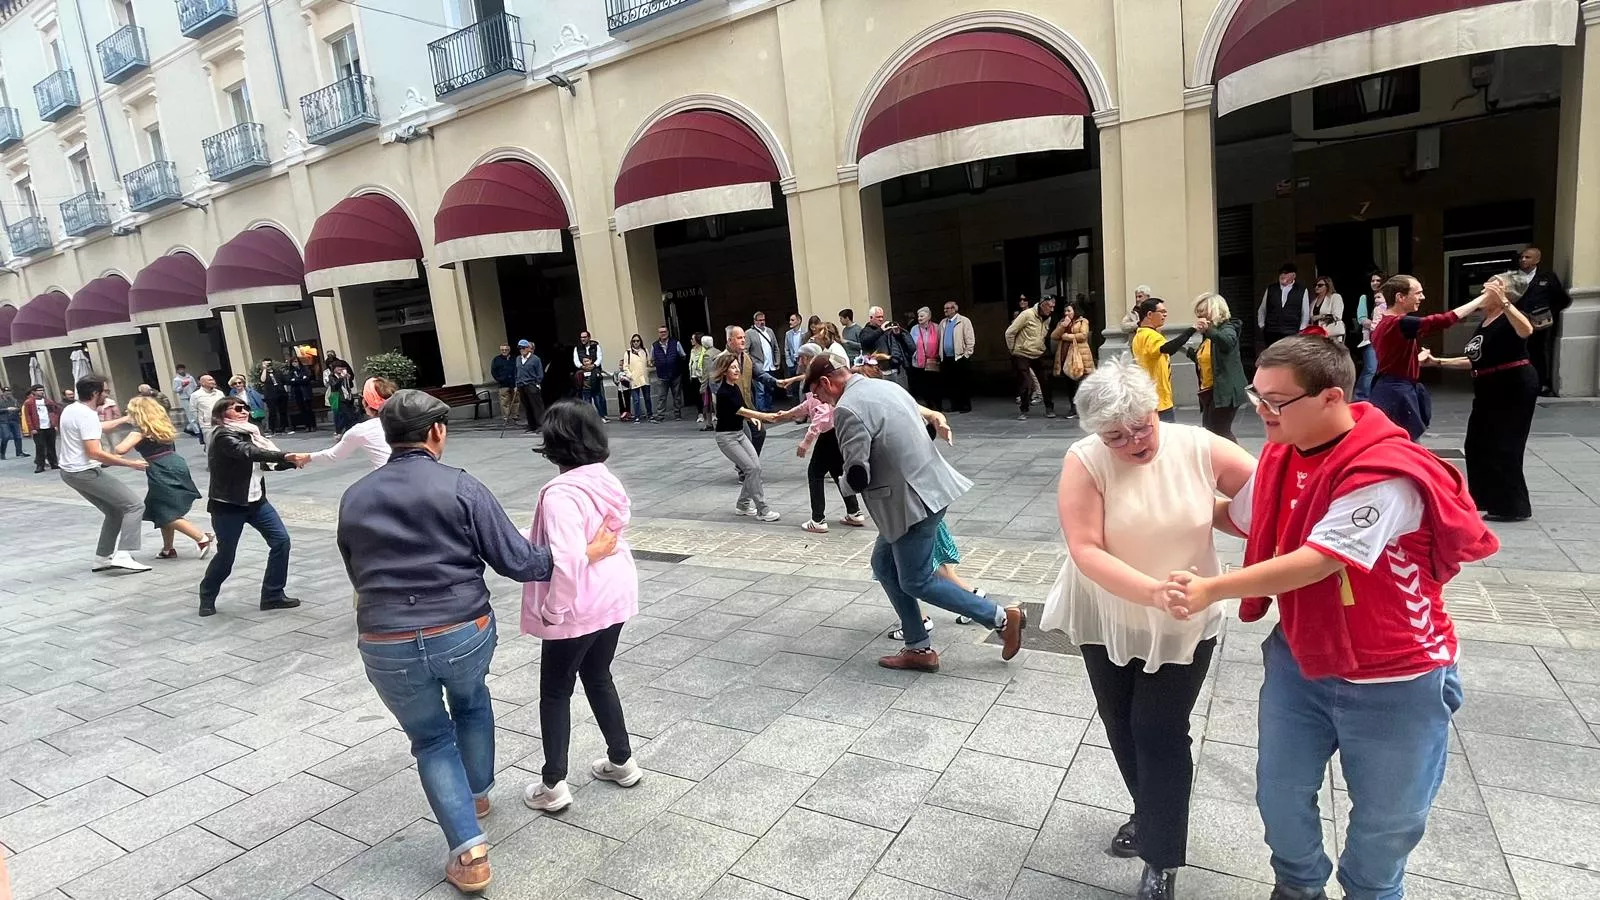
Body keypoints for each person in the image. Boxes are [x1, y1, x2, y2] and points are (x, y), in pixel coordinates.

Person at [1160, 336, 1498, 900]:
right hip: (1303, 657)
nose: (1261, 411)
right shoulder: (1282, 456)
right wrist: (1154, 498)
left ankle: (1373, 893)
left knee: (1387, 821)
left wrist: (1211, 589)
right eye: (1257, 396)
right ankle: (1297, 888)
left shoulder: (1385, 472)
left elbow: (1320, 560)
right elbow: (1242, 518)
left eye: (1276, 401)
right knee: (1280, 795)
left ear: (1331, 397)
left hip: (1396, 674)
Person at [337, 391, 616, 892]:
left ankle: (469, 853)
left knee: (429, 740)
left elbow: (355, 566)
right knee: (470, 702)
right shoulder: (461, 486)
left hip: (384, 636)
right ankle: (479, 793)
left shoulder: (354, 495)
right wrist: (586, 552)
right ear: (436, 432)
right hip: (461, 629)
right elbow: (520, 561)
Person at [1044, 358, 1256, 900]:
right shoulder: (1085, 460)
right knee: (1120, 721)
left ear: (1156, 409)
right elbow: (1086, 548)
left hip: (1184, 613)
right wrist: (1149, 591)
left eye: (1141, 427)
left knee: (1159, 729)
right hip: (1107, 610)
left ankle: (1161, 858)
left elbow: (1266, 491)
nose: (1133, 442)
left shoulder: (1198, 446)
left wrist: (1230, 515)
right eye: (1115, 436)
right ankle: (1149, 811)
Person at [806, 356, 1025, 672]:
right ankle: (918, 647)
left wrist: (841, 484)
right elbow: (925, 430)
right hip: (929, 489)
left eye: (817, 393)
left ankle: (1000, 618)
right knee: (884, 565)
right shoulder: (886, 387)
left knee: (916, 580)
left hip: (908, 504)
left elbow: (857, 475)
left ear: (827, 382)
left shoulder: (847, 409)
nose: (821, 401)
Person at [521, 400, 641, 812]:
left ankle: (553, 783)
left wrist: (553, 611)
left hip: (578, 603)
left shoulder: (560, 493)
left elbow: (568, 559)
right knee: (598, 673)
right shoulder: (605, 479)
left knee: (555, 690)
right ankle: (622, 760)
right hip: (614, 593)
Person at [1426, 273, 1537, 521]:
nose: (1487, 285)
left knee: (1504, 444)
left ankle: (1512, 506)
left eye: (1496, 282)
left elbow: (1526, 330)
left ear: (1507, 292)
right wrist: (1438, 362)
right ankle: (1486, 498)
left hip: (1512, 385)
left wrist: (1505, 303)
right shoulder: (1486, 321)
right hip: (1487, 386)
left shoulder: (1511, 315)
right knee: (1477, 443)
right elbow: (1474, 359)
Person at [198, 394, 310, 617]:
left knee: (281, 542)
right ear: (221, 414)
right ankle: (207, 596)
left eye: (245, 408)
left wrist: (292, 463)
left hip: (256, 502)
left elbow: (262, 464)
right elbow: (247, 453)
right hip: (228, 505)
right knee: (226, 556)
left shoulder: (251, 433)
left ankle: (272, 595)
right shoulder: (222, 435)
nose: (244, 412)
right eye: (237, 408)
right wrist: (285, 456)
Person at [751, 343, 863, 534]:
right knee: (836, 471)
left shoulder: (819, 380)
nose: (799, 361)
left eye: (801, 357)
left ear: (809, 358)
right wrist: (787, 414)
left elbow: (821, 414)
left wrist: (806, 441)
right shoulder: (814, 379)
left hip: (828, 434)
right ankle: (854, 511)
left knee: (815, 473)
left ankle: (818, 519)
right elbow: (808, 405)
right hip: (834, 433)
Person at [1369, 275, 1489, 441]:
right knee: (1405, 443)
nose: (1422, 297)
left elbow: (1391, 360)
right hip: (1397, 393)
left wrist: (1416, 359)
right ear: (1400, 297)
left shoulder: (1384, 324)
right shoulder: (1399, 323)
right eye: (1418, 293)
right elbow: (1444, 320)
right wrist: (1482, 298)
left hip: (1389, 388)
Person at [57, 375, 151, 574]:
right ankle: (124, 555)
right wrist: (130, 463)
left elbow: (99, 427)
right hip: (85, 472)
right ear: (95, 393)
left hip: (70, 472)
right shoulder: (87, 415)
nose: (107, 395)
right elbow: (94, 452)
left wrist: (126, 419)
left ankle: (102, 558)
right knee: (134, 505)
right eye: (105, 391)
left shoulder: (72, 409)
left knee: (115, 511)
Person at [115, 396, 211, 560]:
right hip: (175, 462)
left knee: (163, 511)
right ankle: (168, 549)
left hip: (160, 467)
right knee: (162, 507)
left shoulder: (140, 430)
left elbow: (120, 449)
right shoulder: (161, 425)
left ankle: (201, 537)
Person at [710, 353, 780, 521]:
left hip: (740, 434)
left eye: (737, 367)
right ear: (725, 371)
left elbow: (742, 409)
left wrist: (752, 418)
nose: (737, 370)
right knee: (751, 469)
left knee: (755, 468)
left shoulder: (735, 387)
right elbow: (740, 410)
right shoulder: (723, 392)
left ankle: (743, 505)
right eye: (733, 367)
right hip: (726, 438)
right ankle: (763, 510)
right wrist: (764, 416)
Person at [1188, 293, 1247, 442]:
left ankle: (1235, 457)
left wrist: (1208, 330)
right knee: (1210, 431)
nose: (1199, 315)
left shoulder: (1228, 327)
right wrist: (1191, 353)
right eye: (1198, 312)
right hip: (1211, 390)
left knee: (1220, 432)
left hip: (1225, 391)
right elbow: (1211, 359)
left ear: (1213, 310)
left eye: (1202, 311)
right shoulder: (1210, 332)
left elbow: (1227, 343)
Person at [1515, 245, 1571, 396]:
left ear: (1537, 260)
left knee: (1538, 352)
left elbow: (1561, 299)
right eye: (1522, 257)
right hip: (1518, 322)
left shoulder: (1547, 277)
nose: (1523, 260)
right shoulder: (1514, 277)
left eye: (1527, 257)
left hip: (1540, 324)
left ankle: (1540, 383)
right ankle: (1520, 383)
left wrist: (1548, 313)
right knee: (1518, 351)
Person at [310, 377, 397, 470]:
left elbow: (332, 456)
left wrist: (305, 457)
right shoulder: (406, 419)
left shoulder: (362, 430)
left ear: (365, 402)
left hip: (388, 475)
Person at [1130, 298, 1193, 424]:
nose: (1165, 315)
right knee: (1165, 434)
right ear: (1149, 314)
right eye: (1162, 312)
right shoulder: (1149, 335)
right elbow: (1168, 348)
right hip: (1158, 401)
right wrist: (1191, 330)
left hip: (1152, 398)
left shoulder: (1141, 334)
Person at [1006, 296, 1057, 420]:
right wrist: (1012, 349)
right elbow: (1010, 332)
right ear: (1042, 305)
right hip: (1022, 353)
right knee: (1026, 382)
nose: (1052, 310)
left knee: (1045, 380)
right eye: (1050, 307)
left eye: (1053, 307)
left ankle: (1049, 408)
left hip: (1038, 353)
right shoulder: (1027, 315)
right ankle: (1024, 410)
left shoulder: (1048, 318)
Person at [1050, 300, 1095, 419]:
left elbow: (1083, 336)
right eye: (1065, 311)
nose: (1066, 313)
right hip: (1065, 355)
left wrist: (1067, 336)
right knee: (1069, 383)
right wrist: (1063, 326)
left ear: (1075, 311)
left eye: (1069, 311)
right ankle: (1073, 407)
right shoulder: (1062, 322)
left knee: (1079, 382)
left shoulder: (1082, 321)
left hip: (1079, 355)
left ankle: (1081, 408)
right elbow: (1054, 336)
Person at [1258, 263, 1310, 351]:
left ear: (1293, 275)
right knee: (1272, 354)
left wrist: (1302, 329)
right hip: (1272, 331)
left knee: (1288, 355)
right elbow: (1262, 309)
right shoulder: (1271, 289)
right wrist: (1261, 324)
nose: (1282, 275)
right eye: (1281, 273)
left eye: (1286, 273)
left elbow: (1305, 312)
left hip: (1291, 331)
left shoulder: (1301, 290)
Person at [859, 306, 913, 388]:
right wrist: (880, 330)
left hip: (893, 368)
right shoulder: (866, 331)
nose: (881, 319)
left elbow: (897, 344)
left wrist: (897, 334)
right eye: (878, 317)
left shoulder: (887, 330)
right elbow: (865, 342)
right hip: (878, 371)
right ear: (871, 318)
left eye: (882, 316)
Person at [938, 301, 975, 413]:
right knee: (950, 383)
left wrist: (967, 354)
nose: (945, 310)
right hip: (946, 358)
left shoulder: (963, 321)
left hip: (960, 357)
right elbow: (940, 338)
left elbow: (970, 338)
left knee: (962, 383)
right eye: (944, 308)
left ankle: (965, 406)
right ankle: (954, 405)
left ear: (954, 309)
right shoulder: (943, 323)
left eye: (948, 308)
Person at [1353, 271, 1386, 401]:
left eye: (1378, 280)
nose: (1375, 283)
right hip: (1370, 338)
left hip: (1386, 338)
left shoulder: (1389, 297)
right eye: (1373, 281)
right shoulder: (1365, 297)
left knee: (1382, 369)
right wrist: (1377, 326)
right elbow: (1362, 318)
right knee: (1371, 368)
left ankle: (1378, 397)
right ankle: (1361, 397)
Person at [649, 325, 685, 421]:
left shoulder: (675, 343)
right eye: (661, 332)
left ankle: (677, 414)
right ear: (658, 334)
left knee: (677, 396)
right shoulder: (654, 346)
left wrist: (677, 364)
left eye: (664, 331)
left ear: (668, 332)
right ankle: (660, 415)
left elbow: (683, 355)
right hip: (662, 375)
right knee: (661, 396)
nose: (663, 334)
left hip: (675, 373)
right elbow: (651, 360)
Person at [907, 307, 942, 409]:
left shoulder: (936, 327)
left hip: (933, 360)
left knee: (935, 383)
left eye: (922, 316)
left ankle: (937, 405)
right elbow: (910, 344)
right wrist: (916, 354)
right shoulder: (914, 329)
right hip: (919, 361)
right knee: (923, 384)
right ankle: (929, 404)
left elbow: (940, 342)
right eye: (918, 316)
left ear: (929, 317)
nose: (919, 318)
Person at [747, 312, 780, 411]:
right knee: (760, 391)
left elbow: (776, 347)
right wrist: (752, 363)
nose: (762, 322)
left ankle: (769, 409)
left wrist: (777, 361)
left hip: (770, 365)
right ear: (755, 321)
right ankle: (761, 411)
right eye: (760, 320)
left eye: (763, 320)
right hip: (758, 367)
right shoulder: (749, 333)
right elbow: (745, 350)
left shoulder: (769, 331)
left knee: (770, 389)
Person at [22, 385, 59, 472]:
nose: (41, 392)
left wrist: (54, 424)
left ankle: (54, 463)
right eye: (39, 390)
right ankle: (40, 465)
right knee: (40, 447)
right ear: (33, 392)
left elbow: (54, 412)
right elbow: (28, 416)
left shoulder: (48, 401)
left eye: (42, 390)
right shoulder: (29, 402)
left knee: (51, 446)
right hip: (38, 428)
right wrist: (32, 428)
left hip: (49, 426)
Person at [514, 340, 546, 433]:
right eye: (520, 348)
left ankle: (541, 425)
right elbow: (516, 372)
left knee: (537, 406)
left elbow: (540, 373)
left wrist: (537, 383)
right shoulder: (518, 359)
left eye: (523, 348)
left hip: (531, 384)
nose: (521, 350)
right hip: (521, 385)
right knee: (527, 406)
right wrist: (516, 384)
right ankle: (531, 425)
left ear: (528, 348)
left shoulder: (535, 359)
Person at [619, 334, 652, 423]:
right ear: (631, 342)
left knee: (647, 398)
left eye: (637, 341)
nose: (636, 342)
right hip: (634, 378)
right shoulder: (628, 352)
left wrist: (648, 370)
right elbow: (625, 366)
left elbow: (649, 362)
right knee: (636, 399)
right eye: (634, 341)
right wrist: (630, 375)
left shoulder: (644, 350)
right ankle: (637, 416)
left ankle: (650, 415)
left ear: (640, 341)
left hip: (644, 377)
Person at [258, 358, 290, 435]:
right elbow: (262, 380)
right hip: (270, 395)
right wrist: (264, 369)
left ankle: (284, 427)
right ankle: (273, 429)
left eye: (269, 364)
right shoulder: (263, 373)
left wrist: (286, 392)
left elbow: (284, 382)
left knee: (283, 411)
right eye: (266, 364)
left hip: (281, 394)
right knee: (272, 412)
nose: (268, 365)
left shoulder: (278, 372)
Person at [691, 334, 716, 429]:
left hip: (710, 383)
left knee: (708, 404)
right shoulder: (718, 351)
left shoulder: (707, 355)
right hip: (717, 381)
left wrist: (703, 387)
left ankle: (709, 424)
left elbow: (706, 372)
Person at [1309, 276, 1345, 341]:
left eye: (1320, 285)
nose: (1316, 287)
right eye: (1315, 285)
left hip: (1331, 334)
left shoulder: (1335, 297)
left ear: (1327, 286)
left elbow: (1337, 316)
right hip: (1316, 335)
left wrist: (1320, 316)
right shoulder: (1313, 302)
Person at [491, 343, 519, 426]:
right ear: (500, 350)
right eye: (502, 350)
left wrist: (517, 380)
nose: (504, 351)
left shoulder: (514, 358)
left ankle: (515, 416)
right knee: (504, 402)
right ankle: (506, 418)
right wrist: (499, 379)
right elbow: (493, 371)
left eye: (506, 350)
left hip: (514, 383)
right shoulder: (496, 359)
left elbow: (518, 369)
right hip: (503, 384)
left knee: (516, 400)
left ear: (509, 350)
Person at [326, 361, 356, 434]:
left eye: (342, 367)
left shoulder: (345, 376)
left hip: (346, 397)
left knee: (349, 415)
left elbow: (351, 385)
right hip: (336, 397)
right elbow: (335, 386)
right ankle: (339, 431)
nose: (341, 369)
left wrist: (348, 379)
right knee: (339, 415)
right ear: (334, 369)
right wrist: (341, 378)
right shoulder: (332, 376)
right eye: (339, 367)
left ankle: (348, 431)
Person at [287, 357, 317, 431]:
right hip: (297, 393)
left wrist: (297, 380)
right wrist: (300, 379)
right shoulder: (291, 372)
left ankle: (313, 425)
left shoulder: (304, 369)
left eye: (296, 361)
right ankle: (307, 425)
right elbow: (290, 381)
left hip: (306, 392)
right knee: (302, 410)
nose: (295, 363)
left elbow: (307, 379)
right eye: (293, 362)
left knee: (309, 409)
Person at [577, 357, 609, 421]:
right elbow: (579, 380)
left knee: (598, 403)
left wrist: (599, 375)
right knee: (587, 404)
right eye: (584, 361)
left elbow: (600, 378)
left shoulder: (595, 369)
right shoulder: (581, 371)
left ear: (591, 361)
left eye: (587, 361)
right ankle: (589, 418)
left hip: (595, 389)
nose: (586, 363)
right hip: (586, 390)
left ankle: (602, 416)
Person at [0, 385, 26, 460]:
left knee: (18, 436)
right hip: (4, 421)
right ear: (3, 393)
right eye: (6, 392)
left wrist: (17, 409)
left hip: (14, 420)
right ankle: (2, 453)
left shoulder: (14, 400)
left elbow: (19, 407)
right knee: (6, 436)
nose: (8, 393)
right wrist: (7, 409)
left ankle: (19, 452)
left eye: (9, 392)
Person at [172, 363, 197, 435]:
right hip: (184, 398)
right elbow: (175, 390)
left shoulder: (190, 377)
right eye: (180, 369)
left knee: (195, 413)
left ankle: (192, 428)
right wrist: (182, 386)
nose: (182, 370)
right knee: (190, 415)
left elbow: (195, 386)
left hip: (192, 396)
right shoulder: (176, 379)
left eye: (182, 369)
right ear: (177, 371)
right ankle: (196, 431)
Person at [784, 313, 807, 379]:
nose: (790, 322)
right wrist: (789, 363)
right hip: (792, 364)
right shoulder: (788, 334)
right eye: (790, 320)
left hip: (803, 364)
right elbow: (786, 349)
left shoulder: (805, 333)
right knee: (793, 383)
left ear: (799, 321)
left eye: (792, 320)